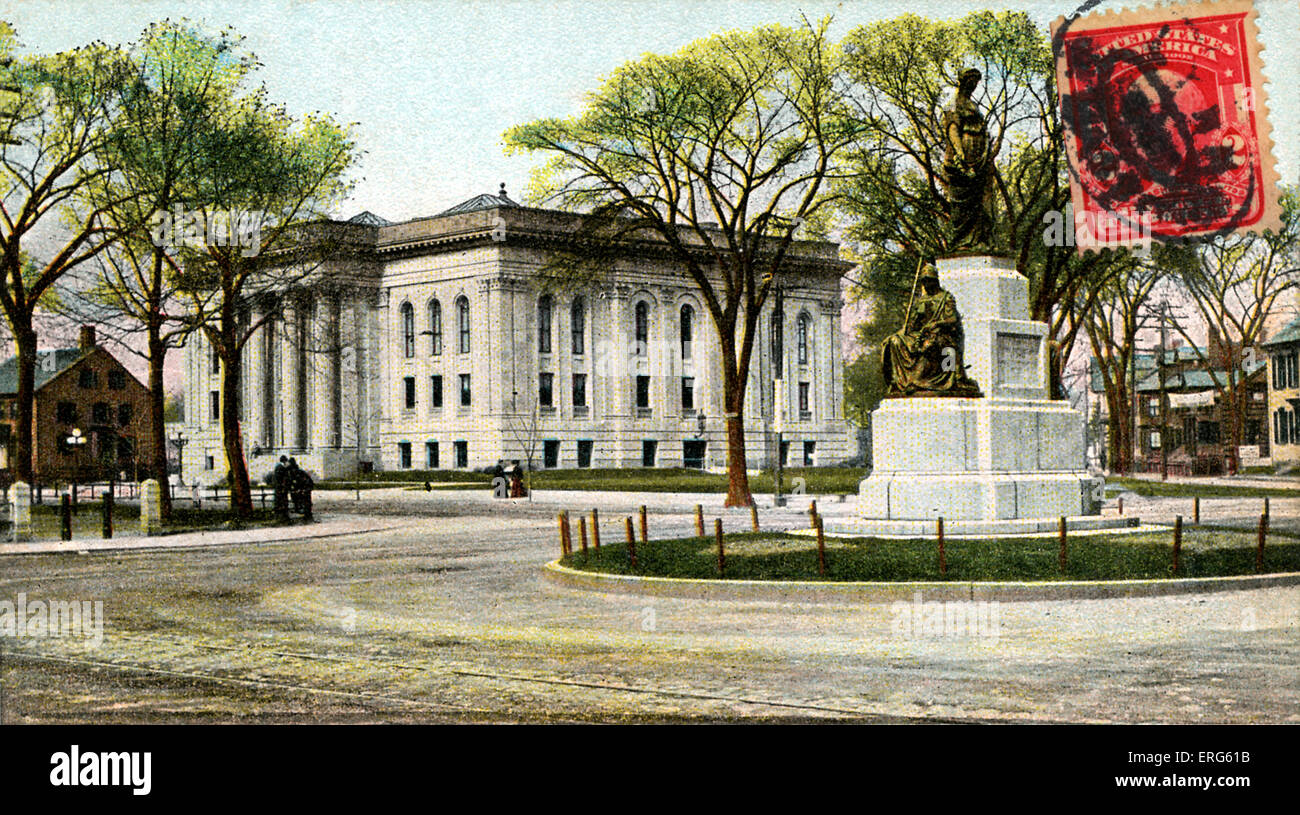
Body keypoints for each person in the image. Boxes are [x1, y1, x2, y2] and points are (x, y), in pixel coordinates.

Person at [882, 265, 982, 398]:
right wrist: (904, 331)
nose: (926, 284)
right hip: (921, 333)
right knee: (894, 341)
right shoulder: (921, 300)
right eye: (924, 281)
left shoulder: (946, 298)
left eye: (929, 280)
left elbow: (952, 319)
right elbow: (913, 324)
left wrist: (936, 323)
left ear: (935, 281)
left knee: (928, 345)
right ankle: (902, 382)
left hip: (942, 334)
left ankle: (918, 382)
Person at [940, 68, 995, 251]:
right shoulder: (953, 103)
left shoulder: (973, 105)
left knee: (980, 203)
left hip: (979, 159)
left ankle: (979, 240)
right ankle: (961, 242)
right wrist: (959, 152)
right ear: (963, 81)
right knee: (962, 204)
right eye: (971, 81)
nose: (974, 85)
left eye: (976, 82)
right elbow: (952, 128)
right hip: (962, 160)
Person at [272, 456, 290, 523]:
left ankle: (278, 516)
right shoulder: (282, 468)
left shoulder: (277, 467)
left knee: (278, 501)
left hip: (277, 487)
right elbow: (284, 479)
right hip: (281, 488)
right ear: (285, 461)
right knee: (283, 501)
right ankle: (283, 516)